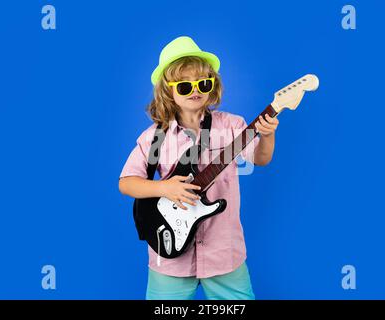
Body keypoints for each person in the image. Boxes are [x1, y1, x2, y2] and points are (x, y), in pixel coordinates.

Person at [119, 36, 279, 300]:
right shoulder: (154, 137)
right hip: (169, 259)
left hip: (223, 253)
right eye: (184, 86)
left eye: (203, 83)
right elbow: (126, 183)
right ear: (167, 91)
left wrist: (268, 136)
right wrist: (165, 187)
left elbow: (261, 159)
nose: (195, 90)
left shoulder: (231, 126)